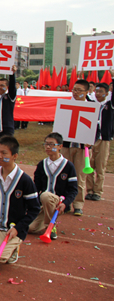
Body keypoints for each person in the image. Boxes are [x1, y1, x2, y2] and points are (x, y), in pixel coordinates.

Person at [0, 136, 40, 264]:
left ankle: (13, 248)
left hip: (14, 228)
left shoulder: (25, 180)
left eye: (4, 153)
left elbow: (34, 209)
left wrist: (19, 227)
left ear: (14, 156)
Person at [28, 133, 78, 240]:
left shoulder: (68, 166)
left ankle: (51, 226)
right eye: (46, 144)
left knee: (46, 195)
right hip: (44, 203)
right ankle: (46, 222)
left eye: (51, 144)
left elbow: (73, 189)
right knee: (30, 228)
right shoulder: (42, 164)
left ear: (60, 146)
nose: (48, 147)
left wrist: (65, 203)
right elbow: (36, 187)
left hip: (58, 202)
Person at [61, 79, 91, 216]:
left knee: (79, 176)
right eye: (74, 90)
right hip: (67, 146)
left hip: (81, 147)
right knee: (64, 175)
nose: (75, 92)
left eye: (79, 90)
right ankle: (65, 203)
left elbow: (97, 128)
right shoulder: (66, 105)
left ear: (86, 92)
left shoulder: (92, 107)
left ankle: (78, 204)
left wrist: (91, 141)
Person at [86, 81, 113, 201]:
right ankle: (90, 190)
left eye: (101, 91)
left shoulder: (109, 105)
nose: (97, 93)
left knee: (100, 167)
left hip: (104, 140)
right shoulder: (91, 104)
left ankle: (97, 191)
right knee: (89, 166)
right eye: (96, 91)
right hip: (91, 139)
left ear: (107, 93)